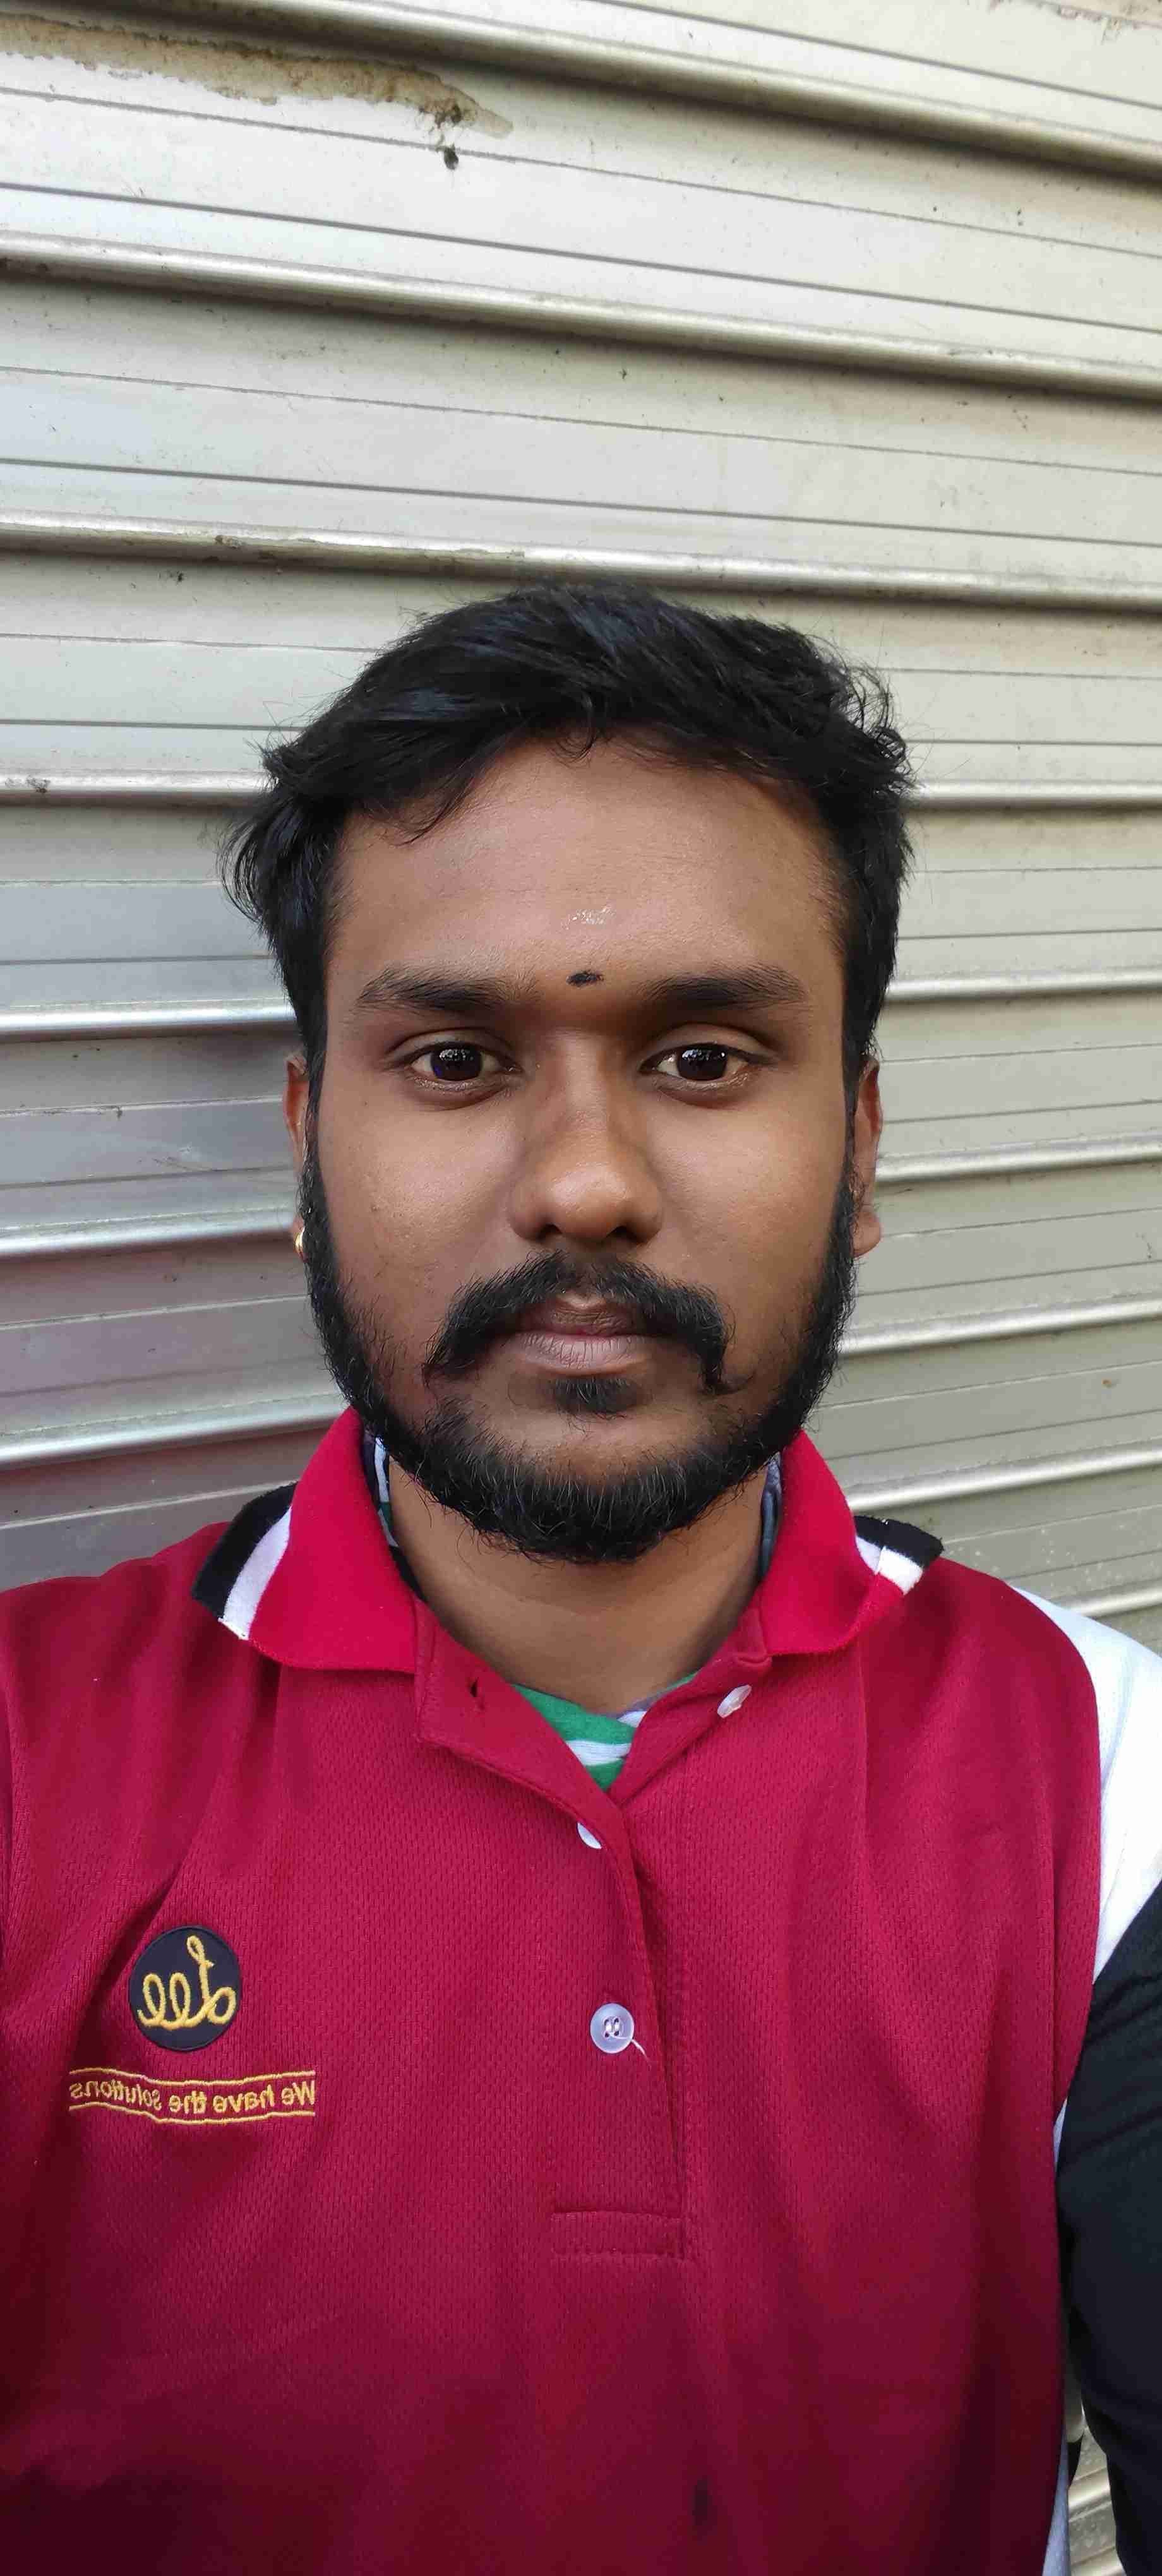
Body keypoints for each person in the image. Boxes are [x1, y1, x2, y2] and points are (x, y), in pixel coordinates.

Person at [1, 586, 1158, 2575]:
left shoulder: (1118, 1790)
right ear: (309, 1143)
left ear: (861, 1144)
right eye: (455, 1058)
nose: (587, 1183)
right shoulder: (32, 1761)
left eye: (703, 1057)